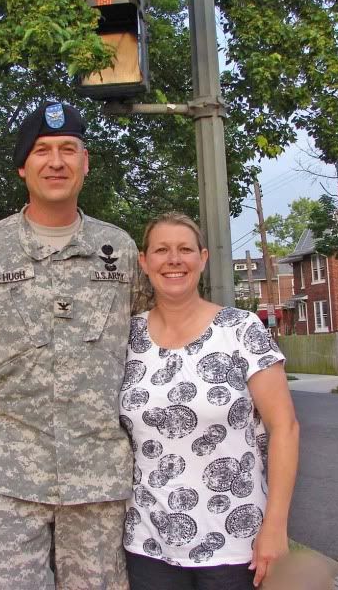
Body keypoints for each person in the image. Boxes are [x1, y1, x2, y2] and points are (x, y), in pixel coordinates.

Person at [0, 101, 138, 590]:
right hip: (3, 481)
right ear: (23, 166)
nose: (56, 162)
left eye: (68, 149)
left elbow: (157, 346)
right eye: (42, 151)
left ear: (87, 162)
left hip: (98, 482)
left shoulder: (120, 250)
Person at [120, 213, 299, 590]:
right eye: (162, 250)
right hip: (148, 543)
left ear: (203, 259)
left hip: (235, 545)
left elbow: (285, 428)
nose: (174, 259)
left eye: (185, 249)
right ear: (144, 261)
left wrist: (276, 527)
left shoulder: (241, 330)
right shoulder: (125, 337)